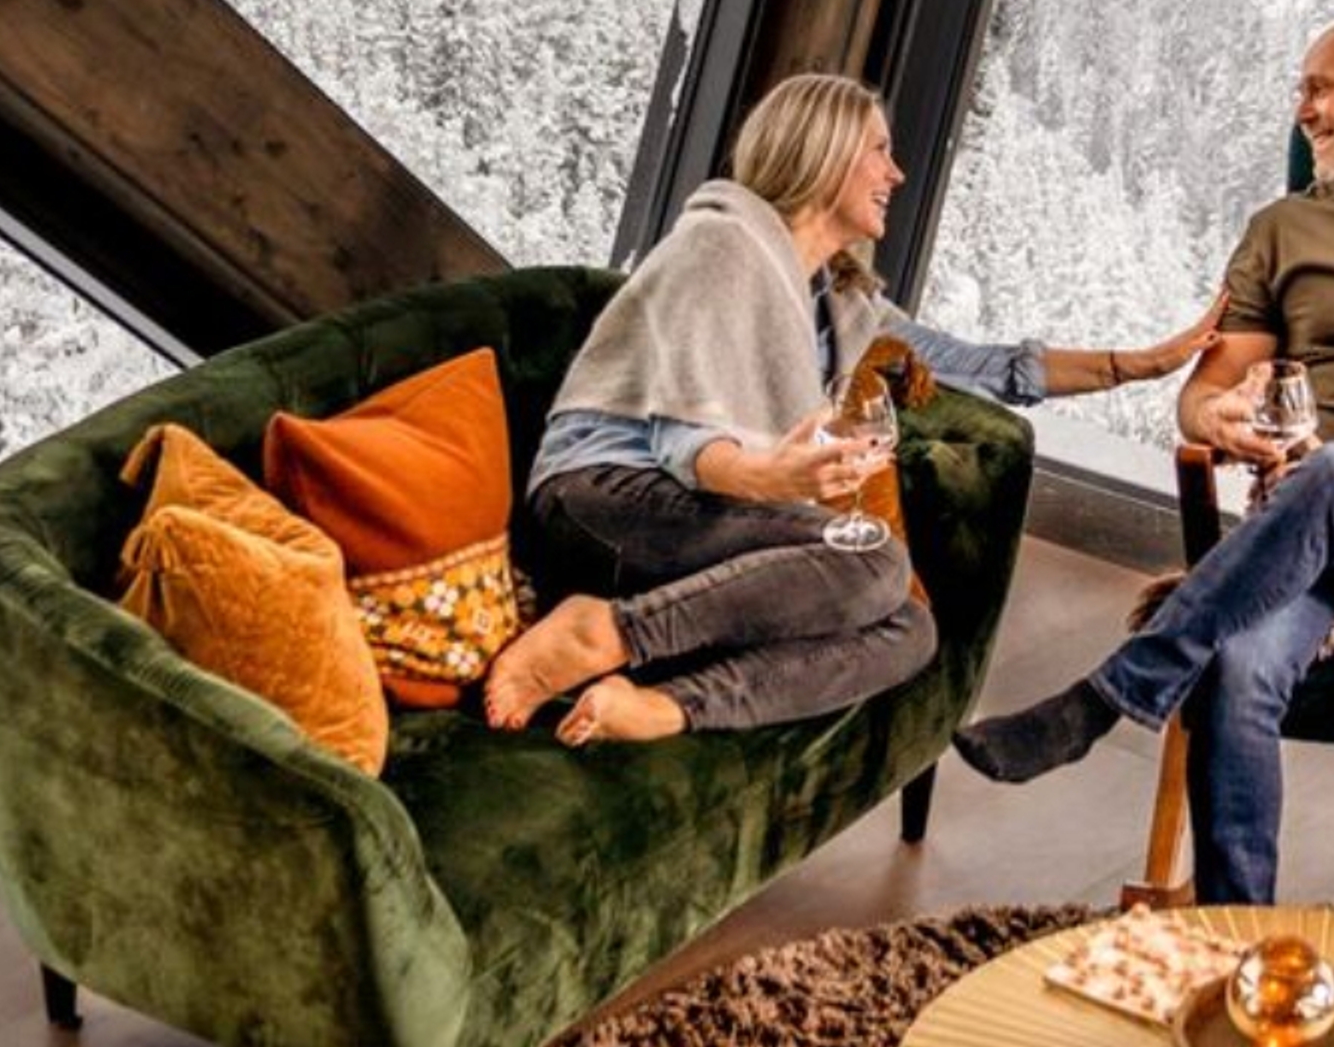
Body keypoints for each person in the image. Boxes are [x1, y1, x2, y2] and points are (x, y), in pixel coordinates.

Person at [953, 16, 1334, 905]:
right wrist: (1223, 414)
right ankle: (1230, 937)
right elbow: (1203, 397)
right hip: (1307, 530)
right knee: (1241, 667)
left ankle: (1104, 698)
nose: (1303, 112)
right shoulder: (1282, 230)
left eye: (1321, 89)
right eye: (1302, 91)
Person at [484, 73, 1216, 746]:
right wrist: (771, 478)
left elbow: (986, 365)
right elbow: (685, 441)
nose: (896, 174)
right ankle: (606, 632)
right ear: (824, 153)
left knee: (909, 630)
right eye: (878, 151)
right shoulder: (721, 243)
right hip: (603, 502)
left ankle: (670, 706)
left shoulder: (840, 301)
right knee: (870, 558)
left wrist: (1141, 365)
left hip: (700, 515)